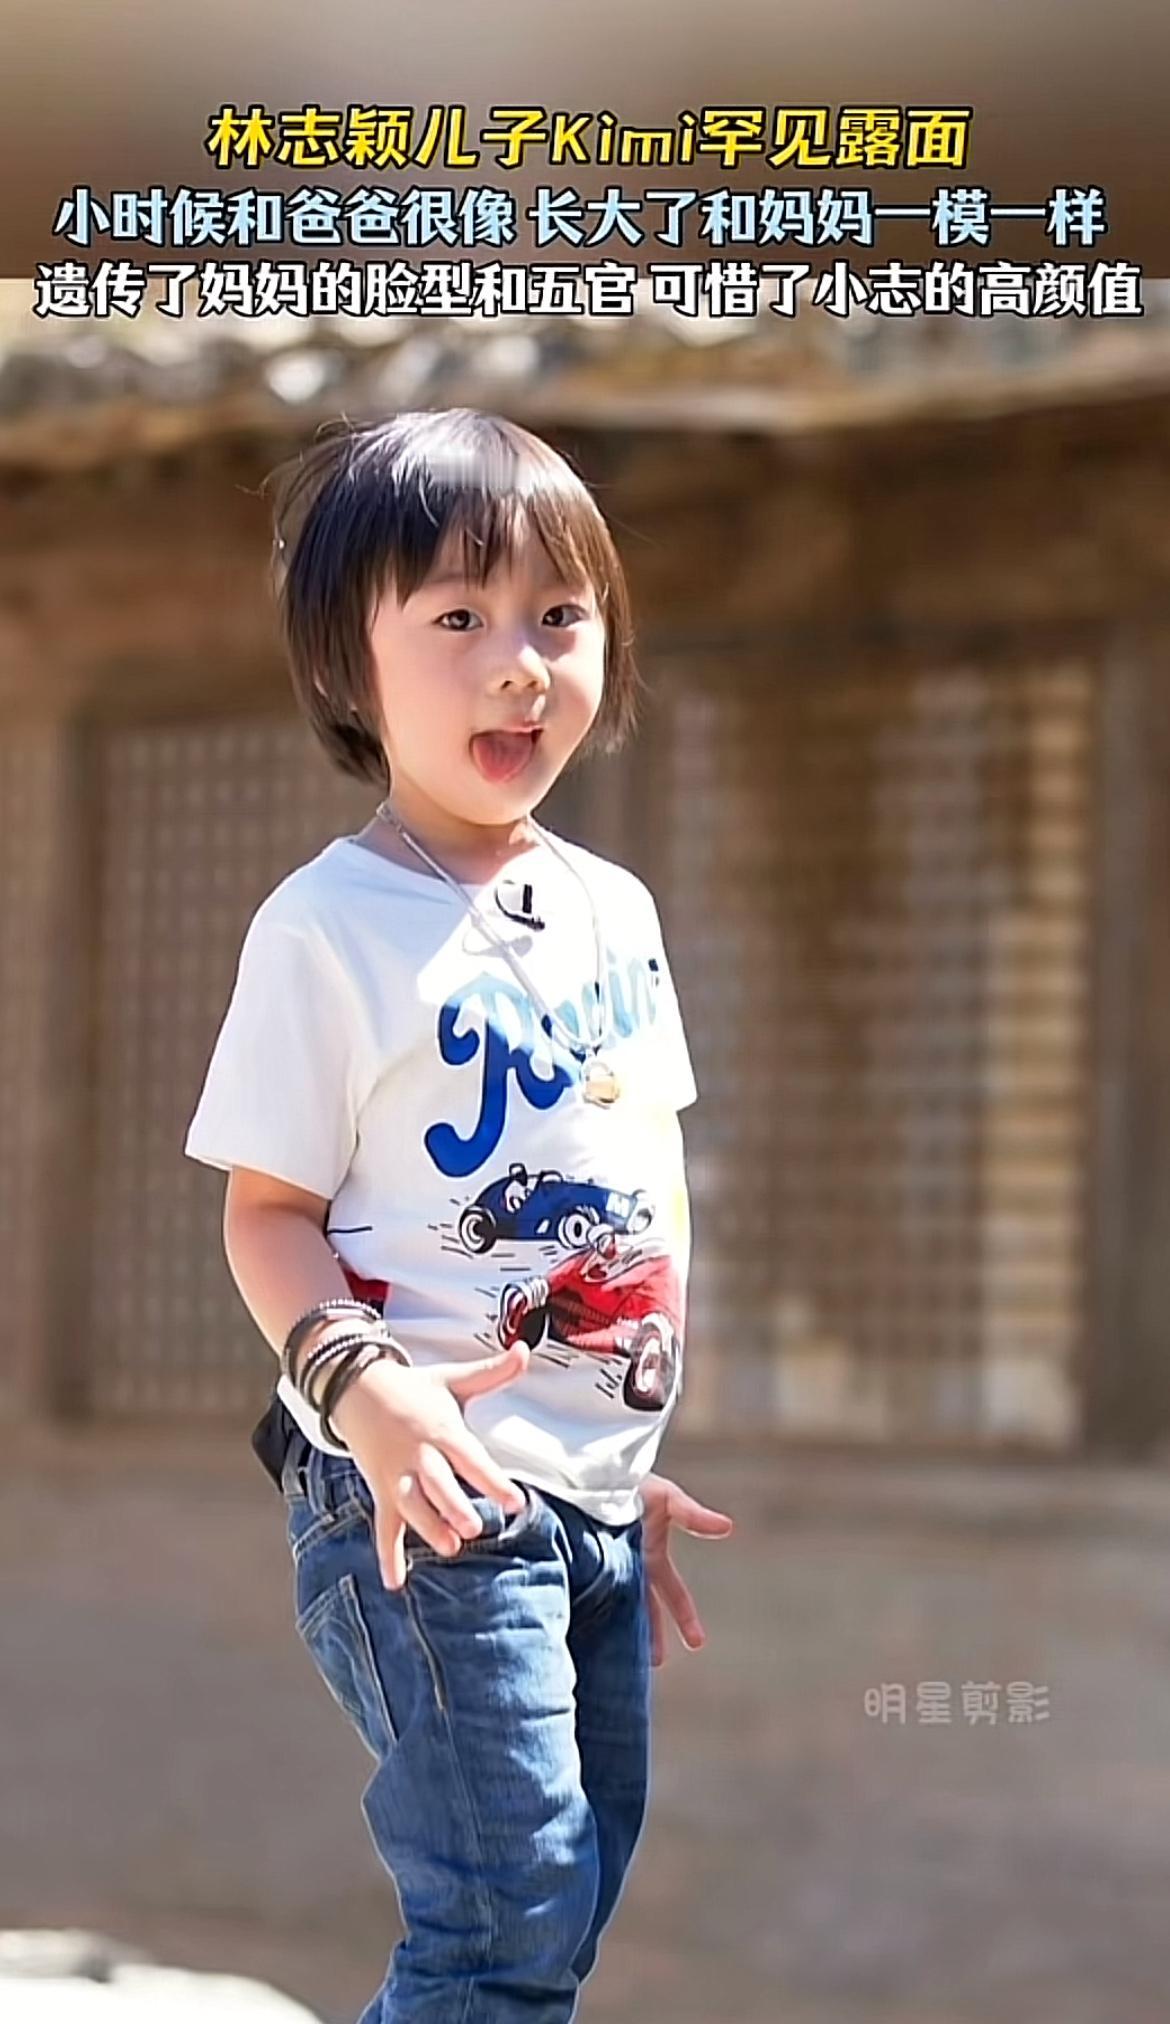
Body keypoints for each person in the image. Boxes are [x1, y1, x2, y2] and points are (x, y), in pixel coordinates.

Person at [183, 407, 734, 2022]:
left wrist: (608, 1438)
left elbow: (623, 1188)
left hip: (585, 1493)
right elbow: (266, 1213)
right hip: (421, 1489)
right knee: (504, 1916)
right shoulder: (324, 928)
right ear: (347, 667)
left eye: (558, 616)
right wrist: (365, 1392)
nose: (519, 666)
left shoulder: (614, 913)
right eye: (456, 619)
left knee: (565, 1905)